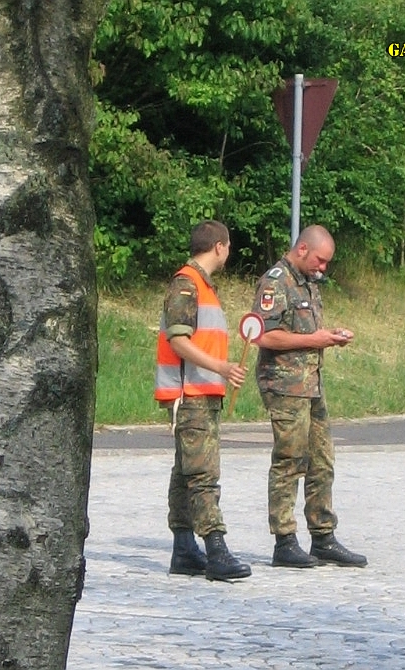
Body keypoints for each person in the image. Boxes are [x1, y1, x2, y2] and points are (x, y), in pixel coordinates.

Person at [251, 224, 367, 569]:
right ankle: (284, 541)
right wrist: (316, 340)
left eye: (327, 262)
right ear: (302, 249)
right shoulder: (275, 283)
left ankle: (323, 536)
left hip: (311, 384)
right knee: (290, 460)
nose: (323, 267)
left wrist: (328, 336)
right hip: (284, 385)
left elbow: (306, 332)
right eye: (320, 260)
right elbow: (263, 336)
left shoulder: (308, 282)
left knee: (322, 459)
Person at [154, 220, 252, 582]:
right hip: (190, 395)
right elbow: (179, 341)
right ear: (219, 247)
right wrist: (221, 367)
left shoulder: (203, 285)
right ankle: (216, 549)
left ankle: (183, 550)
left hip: (201, 394)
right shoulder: (187, 284)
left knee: (185, 473)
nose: (228, 252)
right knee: (203, 473)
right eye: (228, 246)